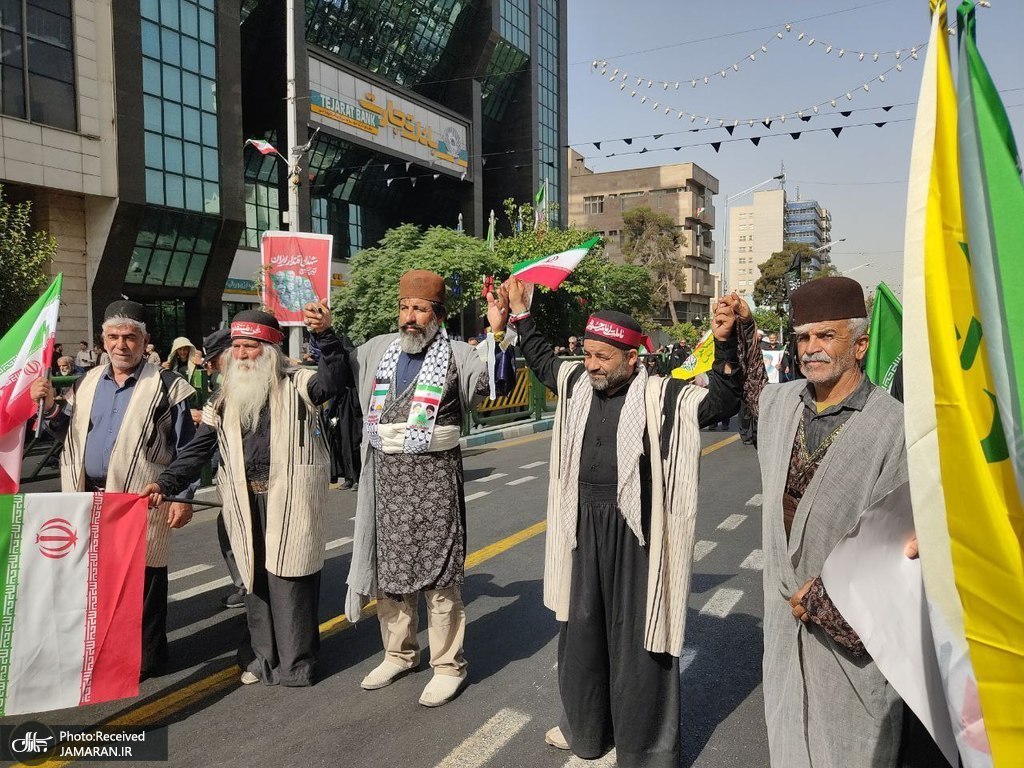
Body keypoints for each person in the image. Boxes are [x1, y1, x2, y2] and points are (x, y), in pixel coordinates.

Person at [502, 276, 746, 766]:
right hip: (582, 524)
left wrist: (725, 343)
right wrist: (522, 314)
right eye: (588, 354)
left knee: (639, 638)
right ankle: (586, 730)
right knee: (581, 631)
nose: (591, 365)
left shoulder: (661, 395)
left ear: (632, 358)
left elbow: (722, 401)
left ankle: (643, 747)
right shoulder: (577, 383)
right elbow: (545, 362)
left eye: (602, 357)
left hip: (637, 530)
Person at [725, 277, 921, 768]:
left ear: (861, 344)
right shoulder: (783, 404)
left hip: (851, 638)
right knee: (789, 735)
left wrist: (824, 600)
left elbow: (901, 549)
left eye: (826, 335)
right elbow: (753, 390)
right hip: (784, 624)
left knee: (852, 745)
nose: (811, 348)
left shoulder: (896, 427)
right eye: (803, 337)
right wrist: (744, 329)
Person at [143, 305, 350, 686]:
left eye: (250, 346)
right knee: (254, 580)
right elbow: (197, 450)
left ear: (269, 349)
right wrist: (166, 484)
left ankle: (296, 665)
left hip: (289, 498)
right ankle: (262, 659)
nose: (241, 354)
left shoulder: (300, 383)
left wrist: (324, 334)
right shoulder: (223, 398)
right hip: (243, 501)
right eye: (236, 346)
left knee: (290, 580)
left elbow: (334, 380)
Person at [345, 269, 513, 708]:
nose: (409, 317)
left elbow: (494, 385)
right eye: (404, 308)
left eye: (419, 309)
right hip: (388, 483)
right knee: (392, 574)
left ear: (437, 315)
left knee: (440, 576)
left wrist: (497, 333)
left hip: (436, 482)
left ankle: (448, 665)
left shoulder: (458, 353)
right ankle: (399, 654)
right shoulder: (379, 350)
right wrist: (324, 334)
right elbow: (338, 369)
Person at [30, 300, 197, 680]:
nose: (122, 345)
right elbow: (66, 434)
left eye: (130, 337)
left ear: (145, 341)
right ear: (103, 340)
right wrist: (51, 406)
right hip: (88, 497)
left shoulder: (169, 386)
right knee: (96, 579)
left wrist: (183, 498)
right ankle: (105, 652)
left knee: (144, 581)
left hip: (142, 499)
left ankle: (148, 659)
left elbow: (188, 448)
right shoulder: (85, 382)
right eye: (114, 337)